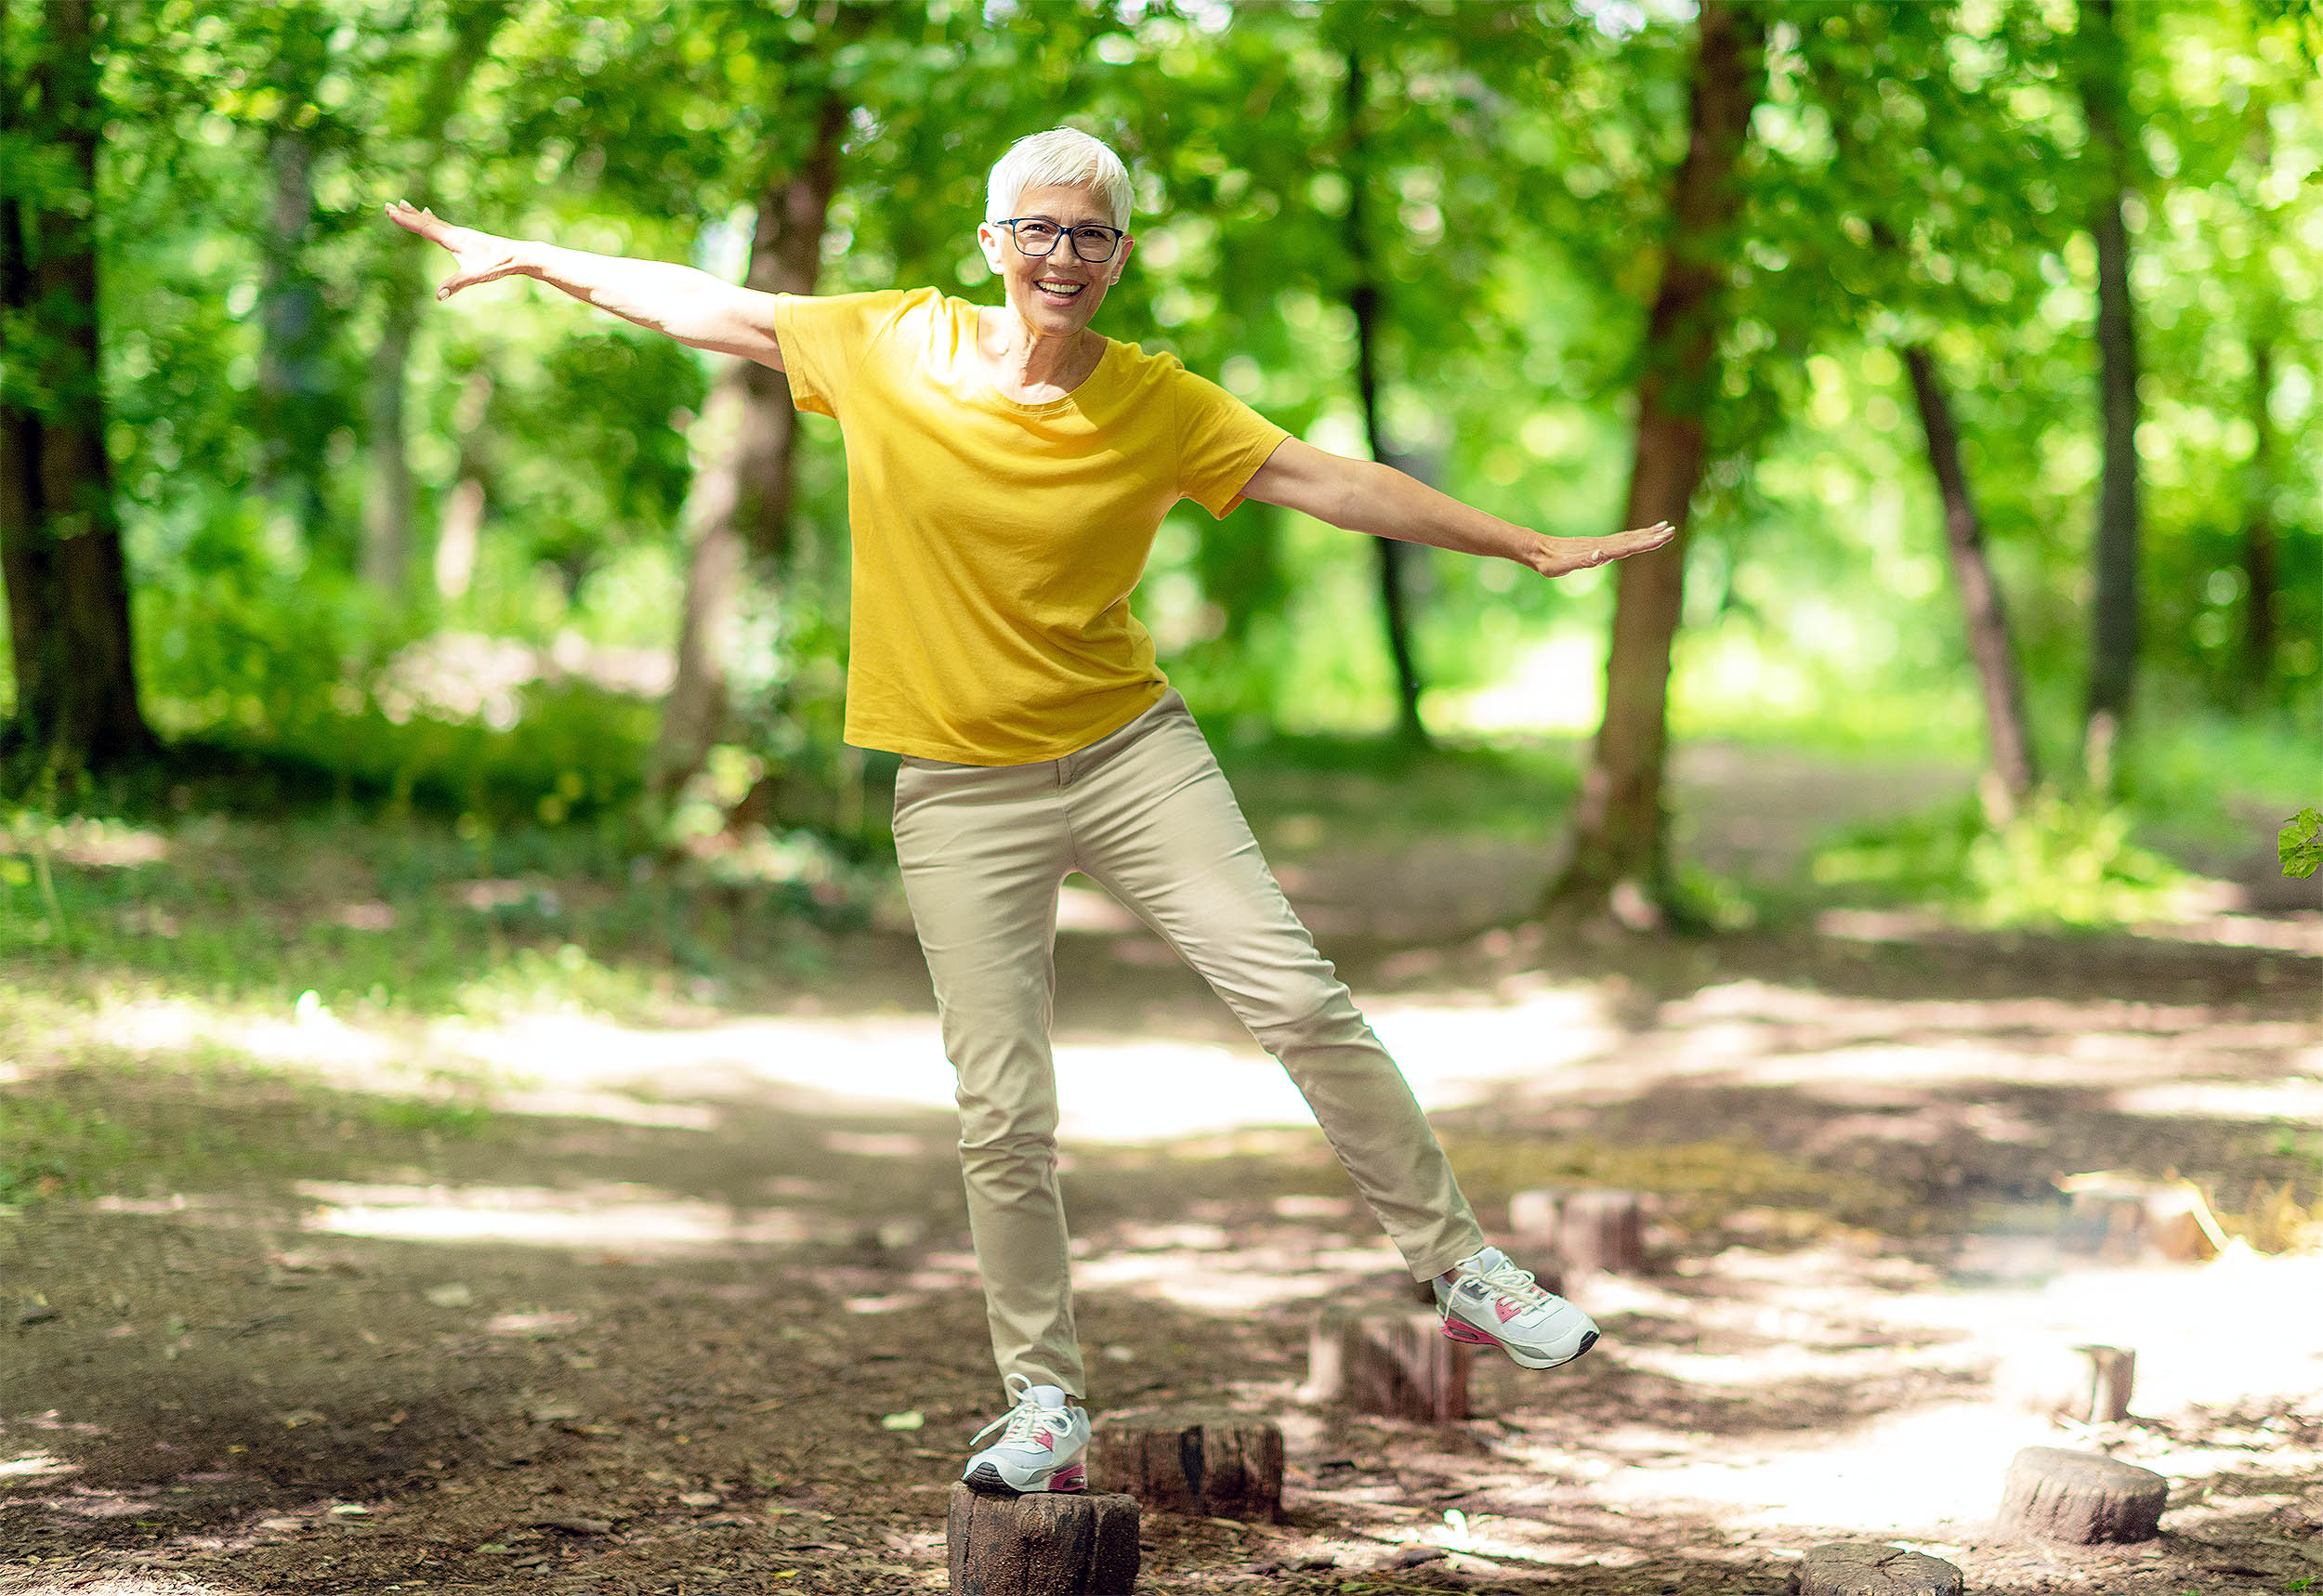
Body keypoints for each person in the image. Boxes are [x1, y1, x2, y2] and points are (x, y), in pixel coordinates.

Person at [388, 125, 1673, 1499]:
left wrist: (1524, 540)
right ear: (995, 244)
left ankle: (1462, 1264)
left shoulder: (1160, 403)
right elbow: (710, 305)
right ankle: (1044, 1397)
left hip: (1130, 750)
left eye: (1093, 235)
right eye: (1042, 231)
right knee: (1003, 1107)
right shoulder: (895, 344)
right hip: (956, 784)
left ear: (1120, 258)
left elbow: (1327, 480)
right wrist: (532, 258)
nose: (1064, 257)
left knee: (1300, 998)